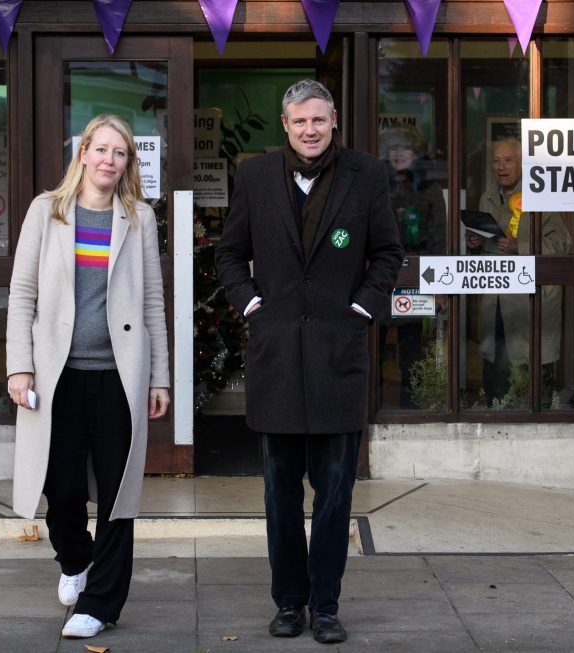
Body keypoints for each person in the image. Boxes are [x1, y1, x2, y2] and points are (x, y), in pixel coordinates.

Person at [215, 80, 404, 644]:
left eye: (318, 120)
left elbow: (388, 252)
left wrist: (361, 309)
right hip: (275, 357)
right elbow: (228, 251)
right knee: (278, 494)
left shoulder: (366, 175)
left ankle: (326, 605)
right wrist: (250, 303)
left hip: (337, 356)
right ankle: (288, 603)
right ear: (285, 123)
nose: (310, 130)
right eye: (299, 122)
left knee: (335, 494)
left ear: (334, 119)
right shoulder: (253, 176)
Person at [6, 114, 170, 639]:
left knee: (119, 494)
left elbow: (151, 304)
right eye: (101, 150)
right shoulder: (45, 211)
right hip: (57, 378)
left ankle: (100, 604)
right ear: (83, 154)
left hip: (119, 377)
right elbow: (22, 295)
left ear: (128, 163)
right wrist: (19, 365)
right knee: (62, 486)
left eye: (119, 153)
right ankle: (74, 560)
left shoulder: (138, 217)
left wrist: (159, 378)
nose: (109, 160)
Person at [466, 137, 571, 405]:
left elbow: (562, 244)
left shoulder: (541, 196)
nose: (501, 167)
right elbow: (490, 241)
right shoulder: (487, 198)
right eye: (496, 161)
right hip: (496, 299)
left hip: (529, 303)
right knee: (496, 373)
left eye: (508, 160)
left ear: (523, 164)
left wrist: (519, 246)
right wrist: (476, 242)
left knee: (532, 372)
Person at [380, 125, 447, 407]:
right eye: (393, 148)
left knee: (411, 351)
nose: (398, 154)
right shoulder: (377, 184)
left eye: (405, 148)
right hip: (379, 277)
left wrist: (440, 287)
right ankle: (374, 407)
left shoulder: (428, 188)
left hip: (416, 277)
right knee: (374, 347)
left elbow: (439, 239)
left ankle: (411, 409)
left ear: (416, 153)